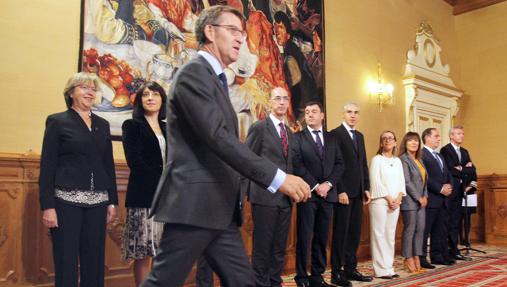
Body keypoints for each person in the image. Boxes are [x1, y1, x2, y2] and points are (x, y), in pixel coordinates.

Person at [140, 6, 310, 287]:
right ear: (209, 31)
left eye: (242, 33)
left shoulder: (215, 79)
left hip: (216, 207)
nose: (240, 39)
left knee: (243, 282)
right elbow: (219, 138)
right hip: (193, 205)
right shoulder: (193, 74)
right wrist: (278, 178)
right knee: (163, 282)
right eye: (232, 30)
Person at [39, 72, 118, 287]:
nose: (90, 92)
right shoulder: (57, 121)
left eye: (93, 88)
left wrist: (112, 200)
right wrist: (48, 206)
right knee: (66, 259)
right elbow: (47, 165)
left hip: (98, 202)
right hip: (65, 202)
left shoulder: (102, 124)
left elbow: (107, 164)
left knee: (94, 258)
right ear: (71, 93)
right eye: (84, 87)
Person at [292, 101, 344, 287]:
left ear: (322, 115)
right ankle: (301, 277)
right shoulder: (298, 138)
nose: (310, 115)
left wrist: (328, 185)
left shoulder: (332, 138)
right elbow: (297, 164)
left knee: (322, 238)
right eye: (307, 112)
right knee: (305, 237)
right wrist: (316, 185)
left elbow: (339, 164)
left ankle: (317, 276)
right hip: (308, 195)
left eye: (314, 112)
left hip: (328, 196)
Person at [246, 87, 294, 287]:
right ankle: (260, 283)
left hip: (285, 199)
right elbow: (247, 160)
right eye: (277, 99)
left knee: (279, 246)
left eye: (285, 99)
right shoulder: (259, 127)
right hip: (264, 197)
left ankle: (275, 281)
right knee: (263, 246)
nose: (281, 102)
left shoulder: (290, 131)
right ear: (270, 102)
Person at [121, 81, 167, 286]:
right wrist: (162, 183)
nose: (150, 98)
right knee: (144, 252)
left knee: (165, 251)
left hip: (169, 198)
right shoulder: (132, 126)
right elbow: (135, 161)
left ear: (162, 99)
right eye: (145, 95)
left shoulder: (169, 127)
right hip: (144, 196)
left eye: (155, 94)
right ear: (140, 101)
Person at [330, 102, 372, 287]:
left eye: (356, 112)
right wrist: (340, 190)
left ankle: (351, 268)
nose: (353, 115)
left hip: (358, 192)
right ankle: (337, 272)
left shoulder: (360, 136)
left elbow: (363, 163)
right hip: (343, 193)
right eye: (349, 112)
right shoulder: (334, 134)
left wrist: (367, 187)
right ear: (343, 114)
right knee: (341, 233)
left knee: (355, 233)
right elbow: (334, 165)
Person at [368, 131, 406, 279]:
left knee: (390, 235)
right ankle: (380, 269)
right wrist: (389, 198)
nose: (388, 140)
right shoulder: (377, 159)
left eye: (390, 138)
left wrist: (398, 198)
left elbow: (402, 182)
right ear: (381, 143)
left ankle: (389, 267)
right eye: (384, 138)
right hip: (380, 202)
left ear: (395, 142)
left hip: (395, 202)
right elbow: (375, 181)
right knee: (379, 235)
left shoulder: (397, 161)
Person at [273, 11, 319, 121]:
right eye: (275, 29)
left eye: (281, 29)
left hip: (302, 106)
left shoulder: (289, 54)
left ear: (288, 34)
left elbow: (295, 79)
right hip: (307, 99)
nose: (277, 33)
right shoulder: (290, 47)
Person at [440, 126, 475, 261]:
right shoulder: (445, 150)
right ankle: (447, 250)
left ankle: (455, 251)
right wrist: (466, 169)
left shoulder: (465, 151)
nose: (462, 136)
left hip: (462, 192)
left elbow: (473, 170)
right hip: (451, 191)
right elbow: (450, 171)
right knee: (448, 222)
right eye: (459, 133)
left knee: (456, 222)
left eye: (463, 133)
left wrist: (462, 169)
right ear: (451, 136)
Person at [420, 128, 454, 268]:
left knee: (439, 230)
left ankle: (437, 256)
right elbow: (425, 176)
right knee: (425, 230)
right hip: (431, 198)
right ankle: (422, 258)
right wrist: (440, 189)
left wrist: (450, 187)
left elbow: (448, 173)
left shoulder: (440, 156)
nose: (439, 139)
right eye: (436, 136)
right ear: (427, 138)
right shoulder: (422, 154)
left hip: (443, 200)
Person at [399, 132, 428, 273]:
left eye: (416, 141)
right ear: (405, 143)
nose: (414, 143)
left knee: (420, 230)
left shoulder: (420, 160)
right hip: (410, 201)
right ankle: (408, 258)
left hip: (422, 201)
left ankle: (417, 256)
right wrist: (418, 197)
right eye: (410, 140)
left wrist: (425, 196)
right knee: (410, 230)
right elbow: (407, 181)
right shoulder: (403, 159)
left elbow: (424, 181)